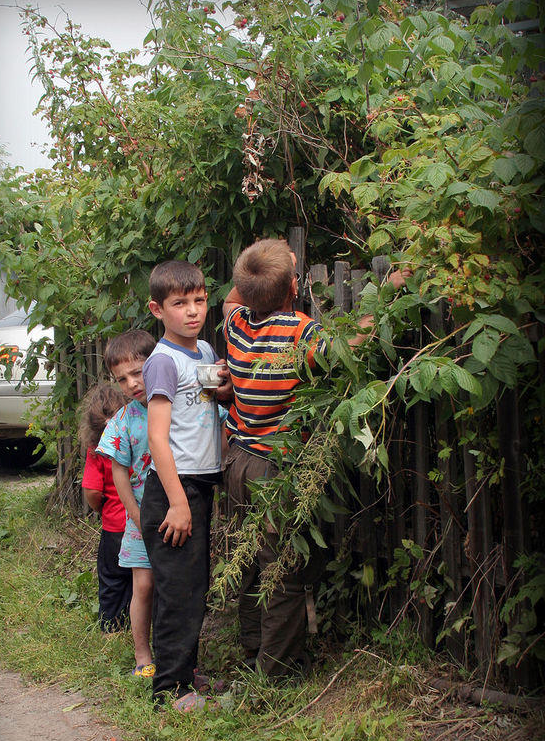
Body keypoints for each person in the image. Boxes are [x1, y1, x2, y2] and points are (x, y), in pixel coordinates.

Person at [222, 238, 410, 679]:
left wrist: (261, 258)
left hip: (236, 462)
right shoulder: (300, 333)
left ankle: (253, 649)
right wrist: (390, 289)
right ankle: (277, 671)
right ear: (294, 286)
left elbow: (235, 296)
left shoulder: (235, 326)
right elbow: (351, 345)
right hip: (275, 469)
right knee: (281, 568)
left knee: (249, 559)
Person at [140, 260, 231, 710]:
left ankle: (187, 676)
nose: (192, 311)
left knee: (193, 586)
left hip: (198, 484)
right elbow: (157, 435)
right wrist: (178, 503)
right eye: (180, 304)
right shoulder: (162, 362)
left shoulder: (206, 352)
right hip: (173, 491)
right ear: (158, 309)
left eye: (198, 301)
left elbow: (207, 410)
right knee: (177, 590)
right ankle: (170, 692)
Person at [96, 329, 157, 677]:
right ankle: (142, 657)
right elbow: (118, 472)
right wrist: (135, 515)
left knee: (174, 586)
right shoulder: (123, 421)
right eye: (123, 379)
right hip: (138, 521)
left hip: (179, 513)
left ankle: (174, 651)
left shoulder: (178, 406)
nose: (132, 383)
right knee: (144, 585)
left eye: (138, 372)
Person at [79, 383, 133, 634]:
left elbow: (92, 491)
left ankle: (111, 626)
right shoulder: (138, 443)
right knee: (140, 579)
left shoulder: (97, 451)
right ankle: (138, 624)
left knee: (112, 579)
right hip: (141, 522)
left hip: (114, 528)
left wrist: (102, 508)